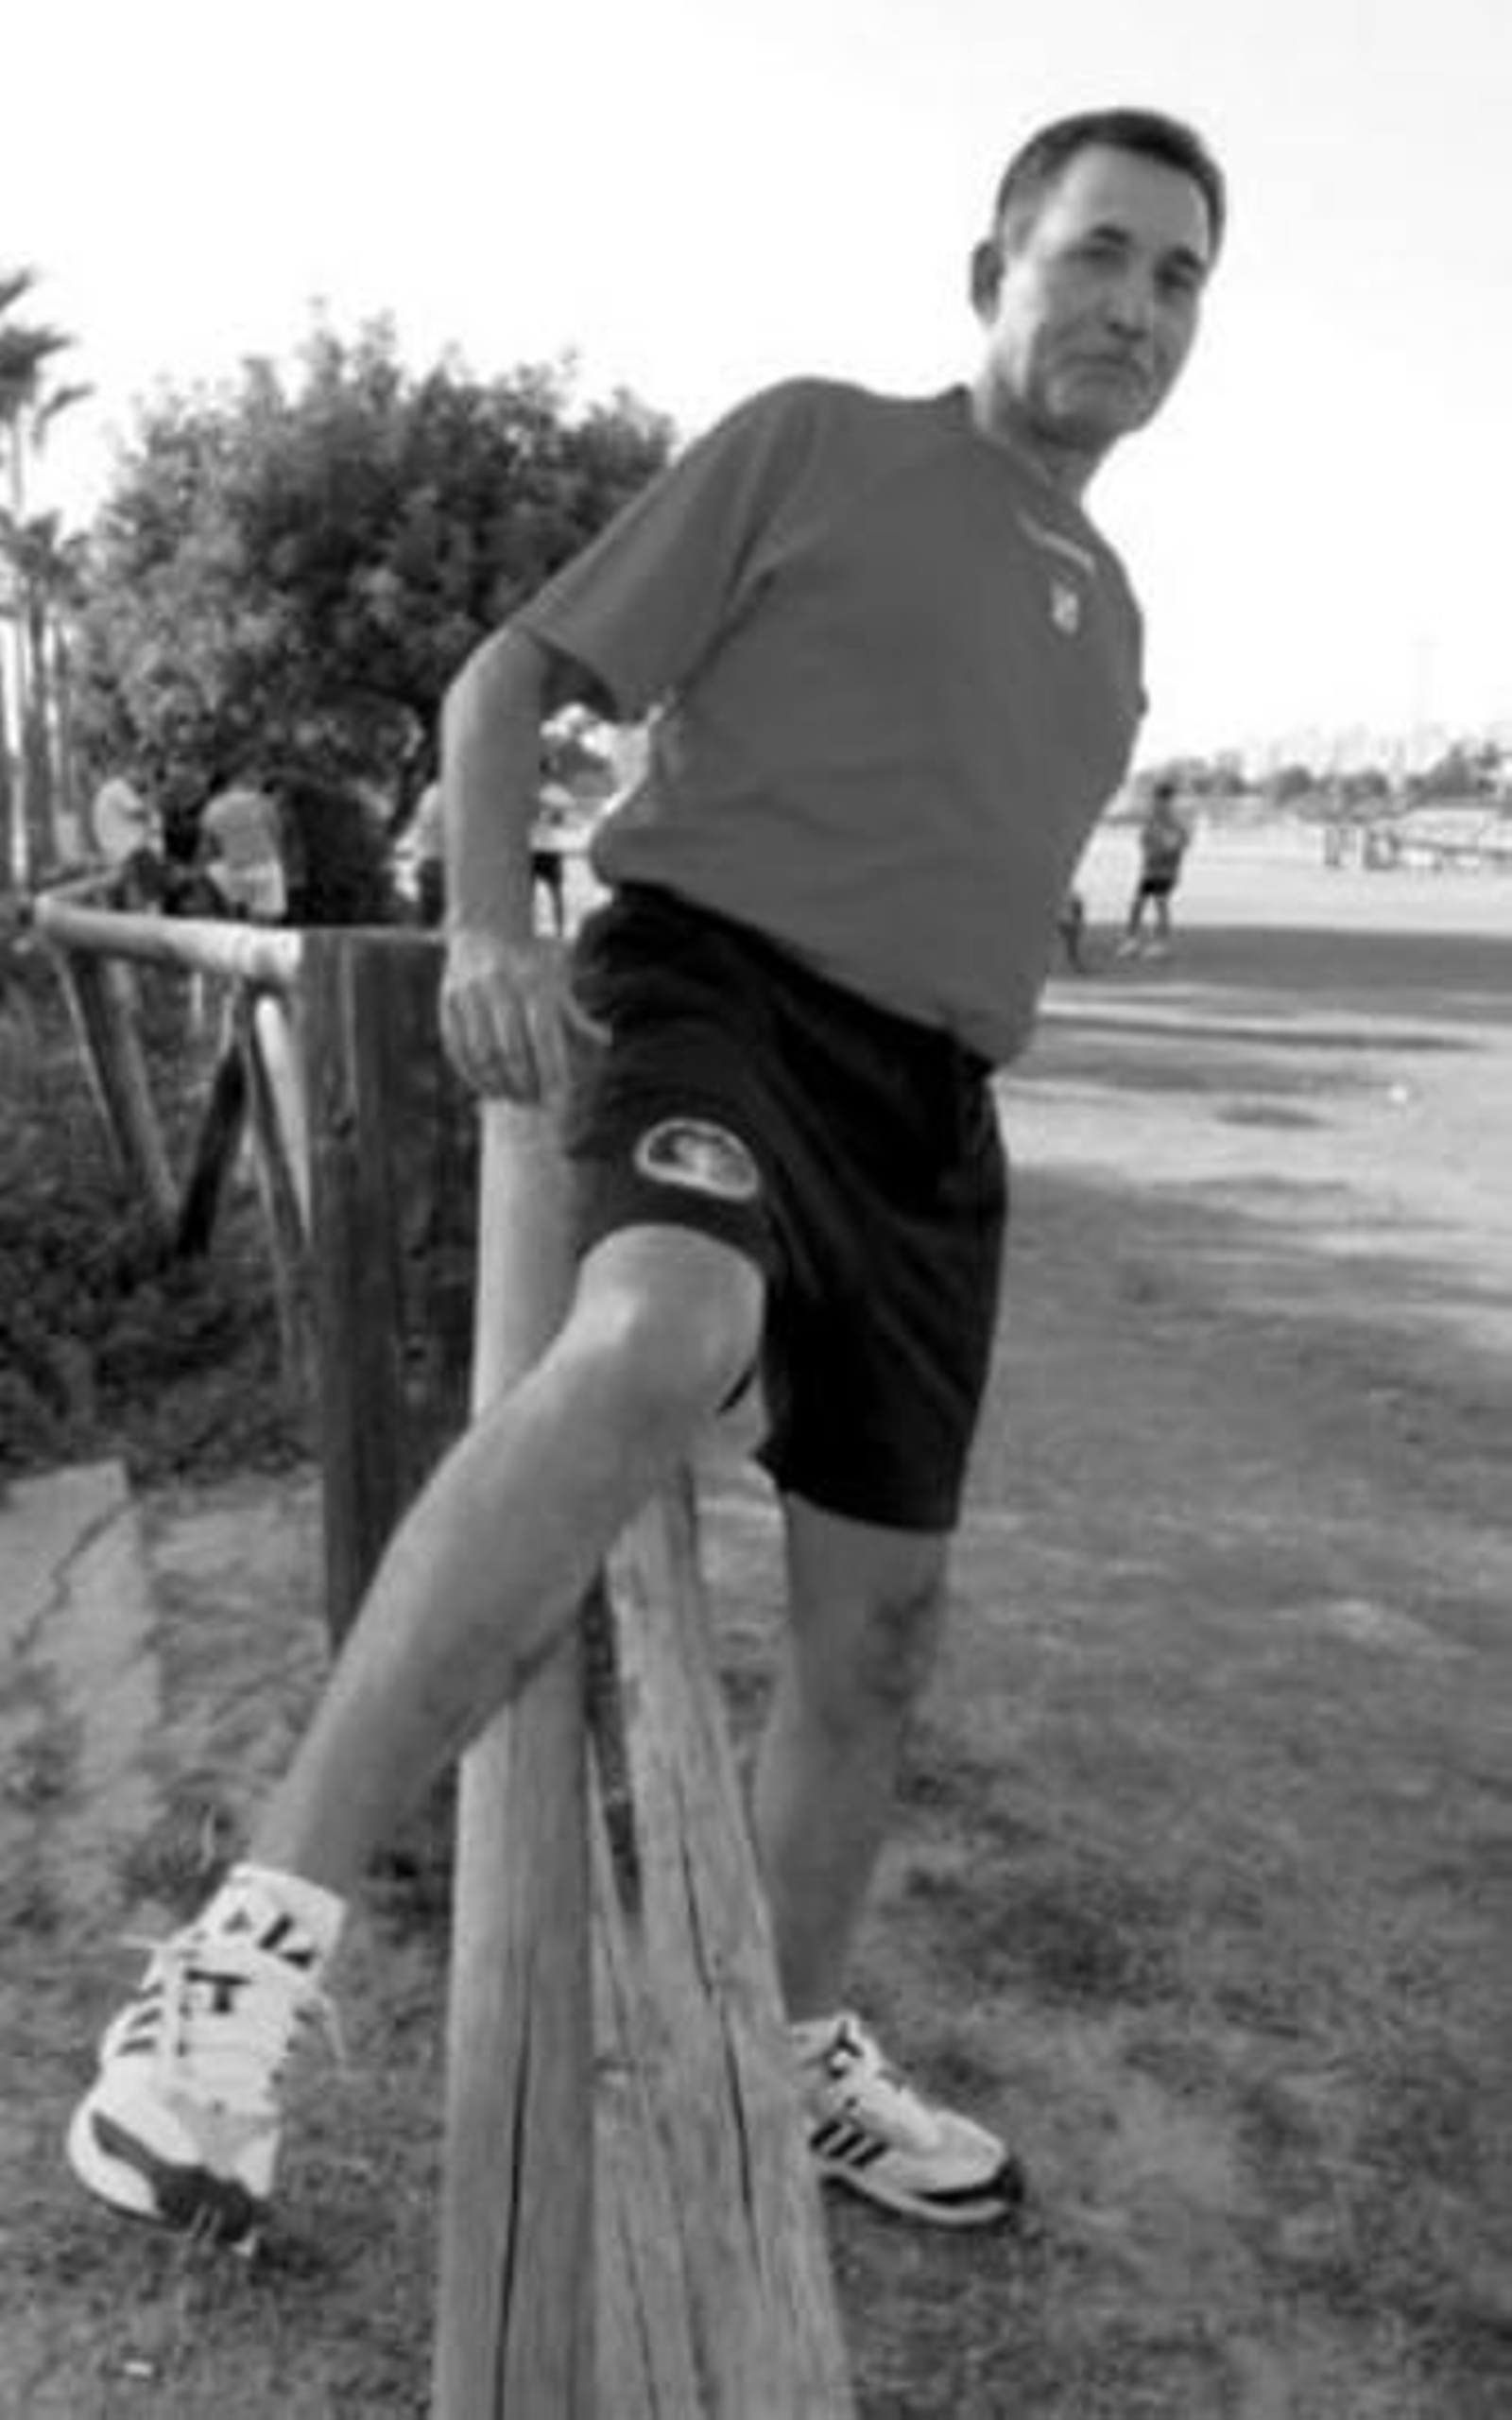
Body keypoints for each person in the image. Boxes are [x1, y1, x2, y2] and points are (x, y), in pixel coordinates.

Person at [68, 106, 1225, 2243]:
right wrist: (486, 935)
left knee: (882, 1636)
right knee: (659, 1336)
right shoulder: (820, 443)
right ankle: (225, 1984)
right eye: (1095, 253)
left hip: (927, 1119)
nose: (1132, 309)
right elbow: (509, 671)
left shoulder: (1119, 616)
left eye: (1176, 280)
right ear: (992, 274)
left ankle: (777, 2050)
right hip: (716, 997)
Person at [1119, 774, 1192, 953]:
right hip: (1149, 869)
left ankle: (1161, 944)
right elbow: (1143, 840)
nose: (1158, 802)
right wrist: (1149, 847)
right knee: (1137, 904)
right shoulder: (1151, 818)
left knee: (1160, 903)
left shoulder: (1176, 821)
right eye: (1156, 798)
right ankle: (1131, 941)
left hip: (1167, 871)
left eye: (1162, 798)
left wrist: (1169, 847)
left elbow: (1182, 842)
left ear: (1169, 800)